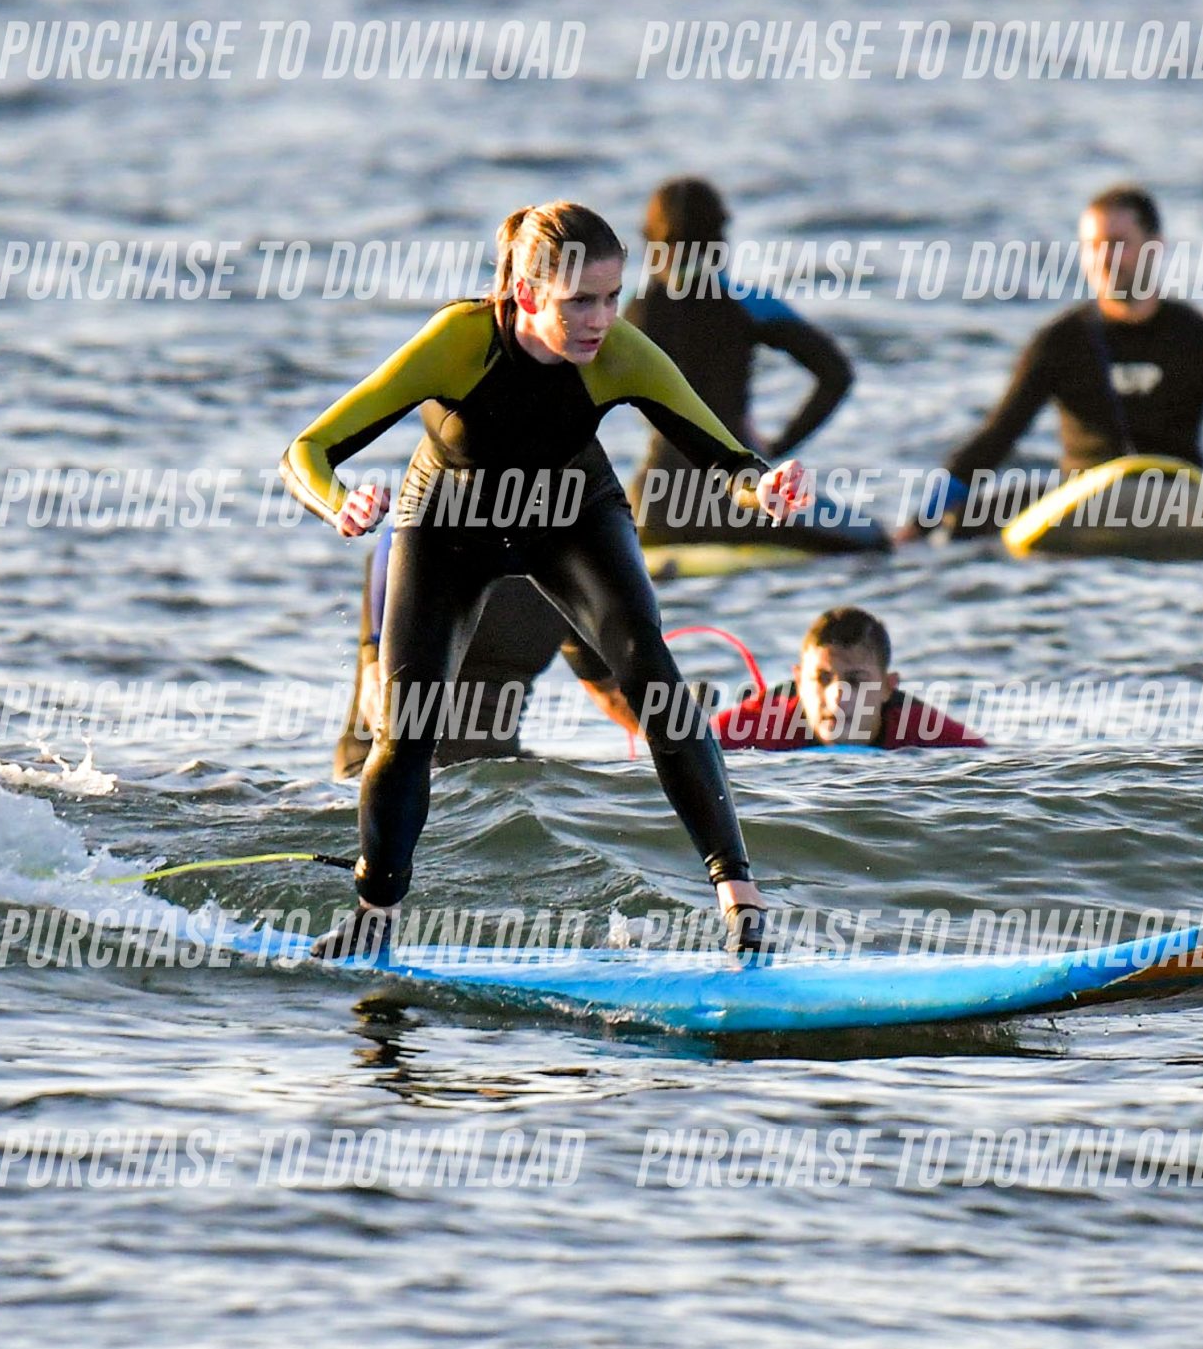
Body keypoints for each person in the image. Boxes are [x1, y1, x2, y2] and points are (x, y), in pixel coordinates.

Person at [282, 200, 811, 956]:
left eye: (612, 296)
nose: (601, 320)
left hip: (571, 512)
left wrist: (767, 488)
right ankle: (375, 913)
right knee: (409, 725)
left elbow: (728, 459)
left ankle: (740, 900)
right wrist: (340, 502)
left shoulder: (620, 352)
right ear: (527, 293)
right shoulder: (459, 342)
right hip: (448, 523)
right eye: (580, 302)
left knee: (651, 671)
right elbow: (308, 449)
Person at [906, 185, 1203, 539]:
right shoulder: (1061, 342)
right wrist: (917, 526)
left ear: (1155, 248)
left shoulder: (1201, 341)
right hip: (1081, 498)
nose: (1104, 260)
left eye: (1118, 245)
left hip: (1179, 497)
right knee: (956, 526)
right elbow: (994, 440)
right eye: (1093, 247)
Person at [623, 177, 884, 553]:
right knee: (875, 538)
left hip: (655, 507)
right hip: (743, 504)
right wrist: (778, 446)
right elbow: (837, 374)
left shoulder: (630, 313)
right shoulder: (746, 303)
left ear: (650, 239)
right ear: (720, 238)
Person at [332, 525, 635, 778]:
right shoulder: (413, 544)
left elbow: (610, 694)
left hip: (495, 774)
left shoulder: (567, 569)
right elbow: (376, 690)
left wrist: (665, 735)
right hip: (386, 773)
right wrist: (426, 783)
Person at [713, 608, 983, 751]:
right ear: (799, 682)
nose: (837, 697)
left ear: (888, 688)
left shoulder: (924, 731)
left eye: (855, 681)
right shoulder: (756, 725)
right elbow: (692, 749)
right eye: (822, 679)